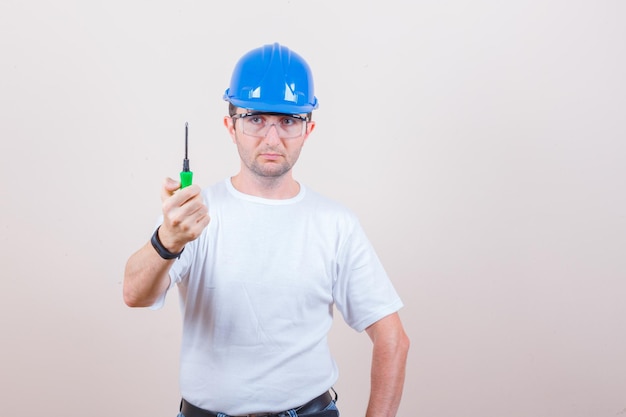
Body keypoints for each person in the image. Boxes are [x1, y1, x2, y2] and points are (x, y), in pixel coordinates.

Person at [123, 42, 410, 417]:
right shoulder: (193, 217)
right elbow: (134, 294)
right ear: (231, 125)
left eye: (288, 121)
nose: (272, 139)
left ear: (308, 130)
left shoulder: (335, 224)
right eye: (256, 118)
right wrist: (166, 242)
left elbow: (393, 339)